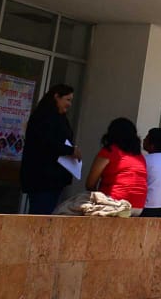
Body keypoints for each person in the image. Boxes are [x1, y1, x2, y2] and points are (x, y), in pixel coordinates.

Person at [20, 84, 78, 214]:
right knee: (41, 213)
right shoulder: (44, 117)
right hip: (42, 177)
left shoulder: (59, 117)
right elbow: (47, 143)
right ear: (57, 97)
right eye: (67, 100)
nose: (69, 104)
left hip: (54, 177)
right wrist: (70, 151)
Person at [84, 117, 147, 214]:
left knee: (75, 204)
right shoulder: (139, 156)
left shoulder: (109, 151)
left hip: (115, 204)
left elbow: (90, 184)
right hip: (138, 206)